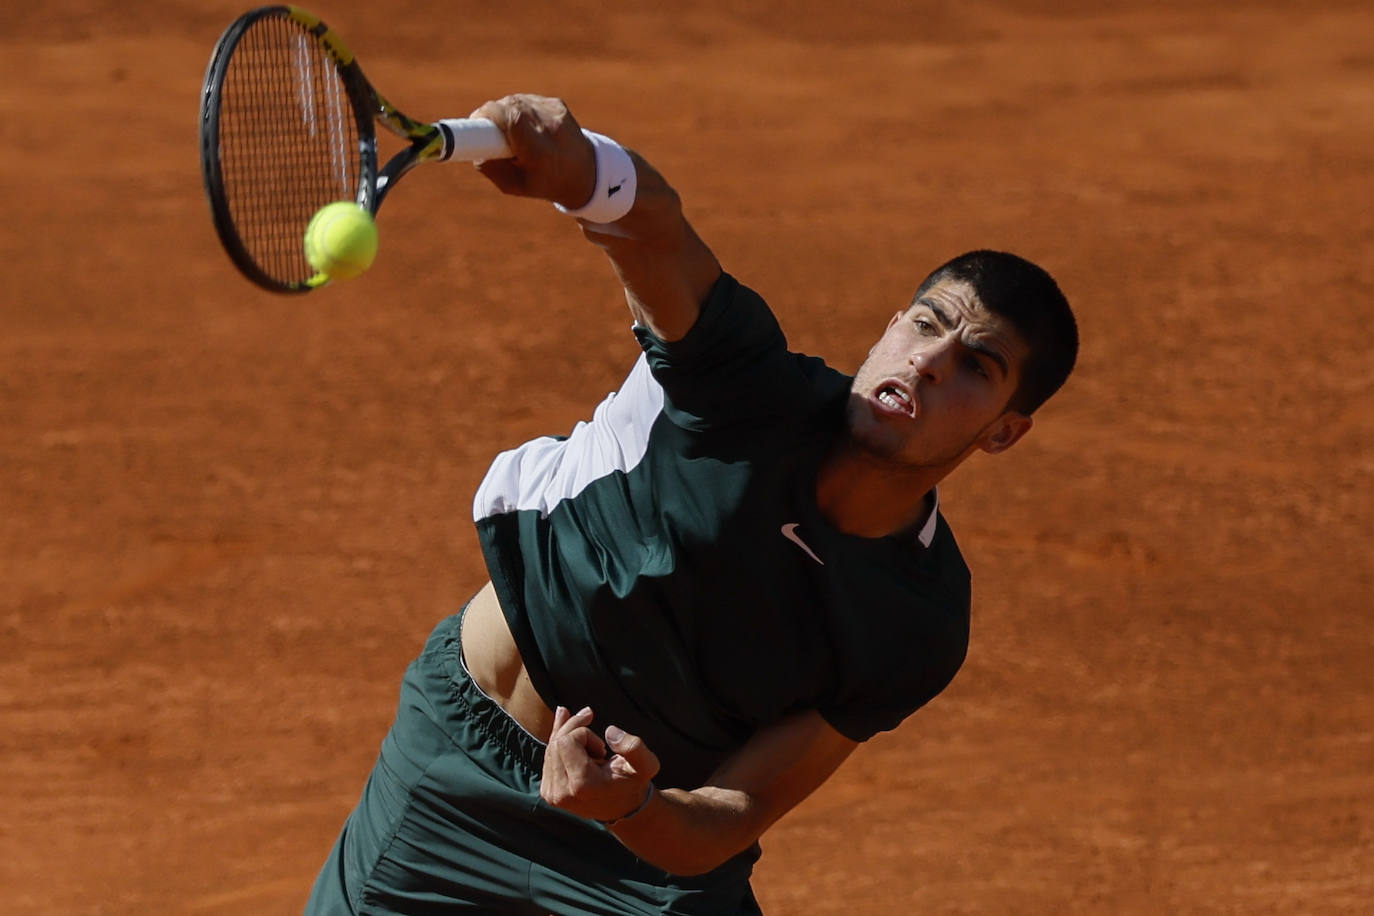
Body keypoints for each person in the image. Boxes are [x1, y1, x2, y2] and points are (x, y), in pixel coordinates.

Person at [303, 94, 1078, 915]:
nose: (928, 362)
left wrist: (630, 807)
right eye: (927, 324)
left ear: (1003, 432)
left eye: (976, 366)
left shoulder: (915, 619)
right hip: (455, 776)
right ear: (892, 327)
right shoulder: (746, 391)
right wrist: (586, 171)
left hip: (641, 863)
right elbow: (655, 234)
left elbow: (733, 812)